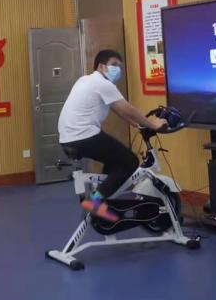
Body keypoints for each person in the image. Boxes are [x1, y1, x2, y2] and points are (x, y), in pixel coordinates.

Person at [57, 50, 167, 221]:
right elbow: (127, 108)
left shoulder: (85, 80)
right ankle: (95, 201)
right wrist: (153, 124)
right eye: (114, 65)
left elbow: (117, 109)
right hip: (84, 136)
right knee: (130, 161)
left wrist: (136, 124)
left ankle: (103, 196)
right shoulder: (103, 84)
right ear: (101, 66)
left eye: (119, 66)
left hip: (68, 138)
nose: (118, 69)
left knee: (115, 160)